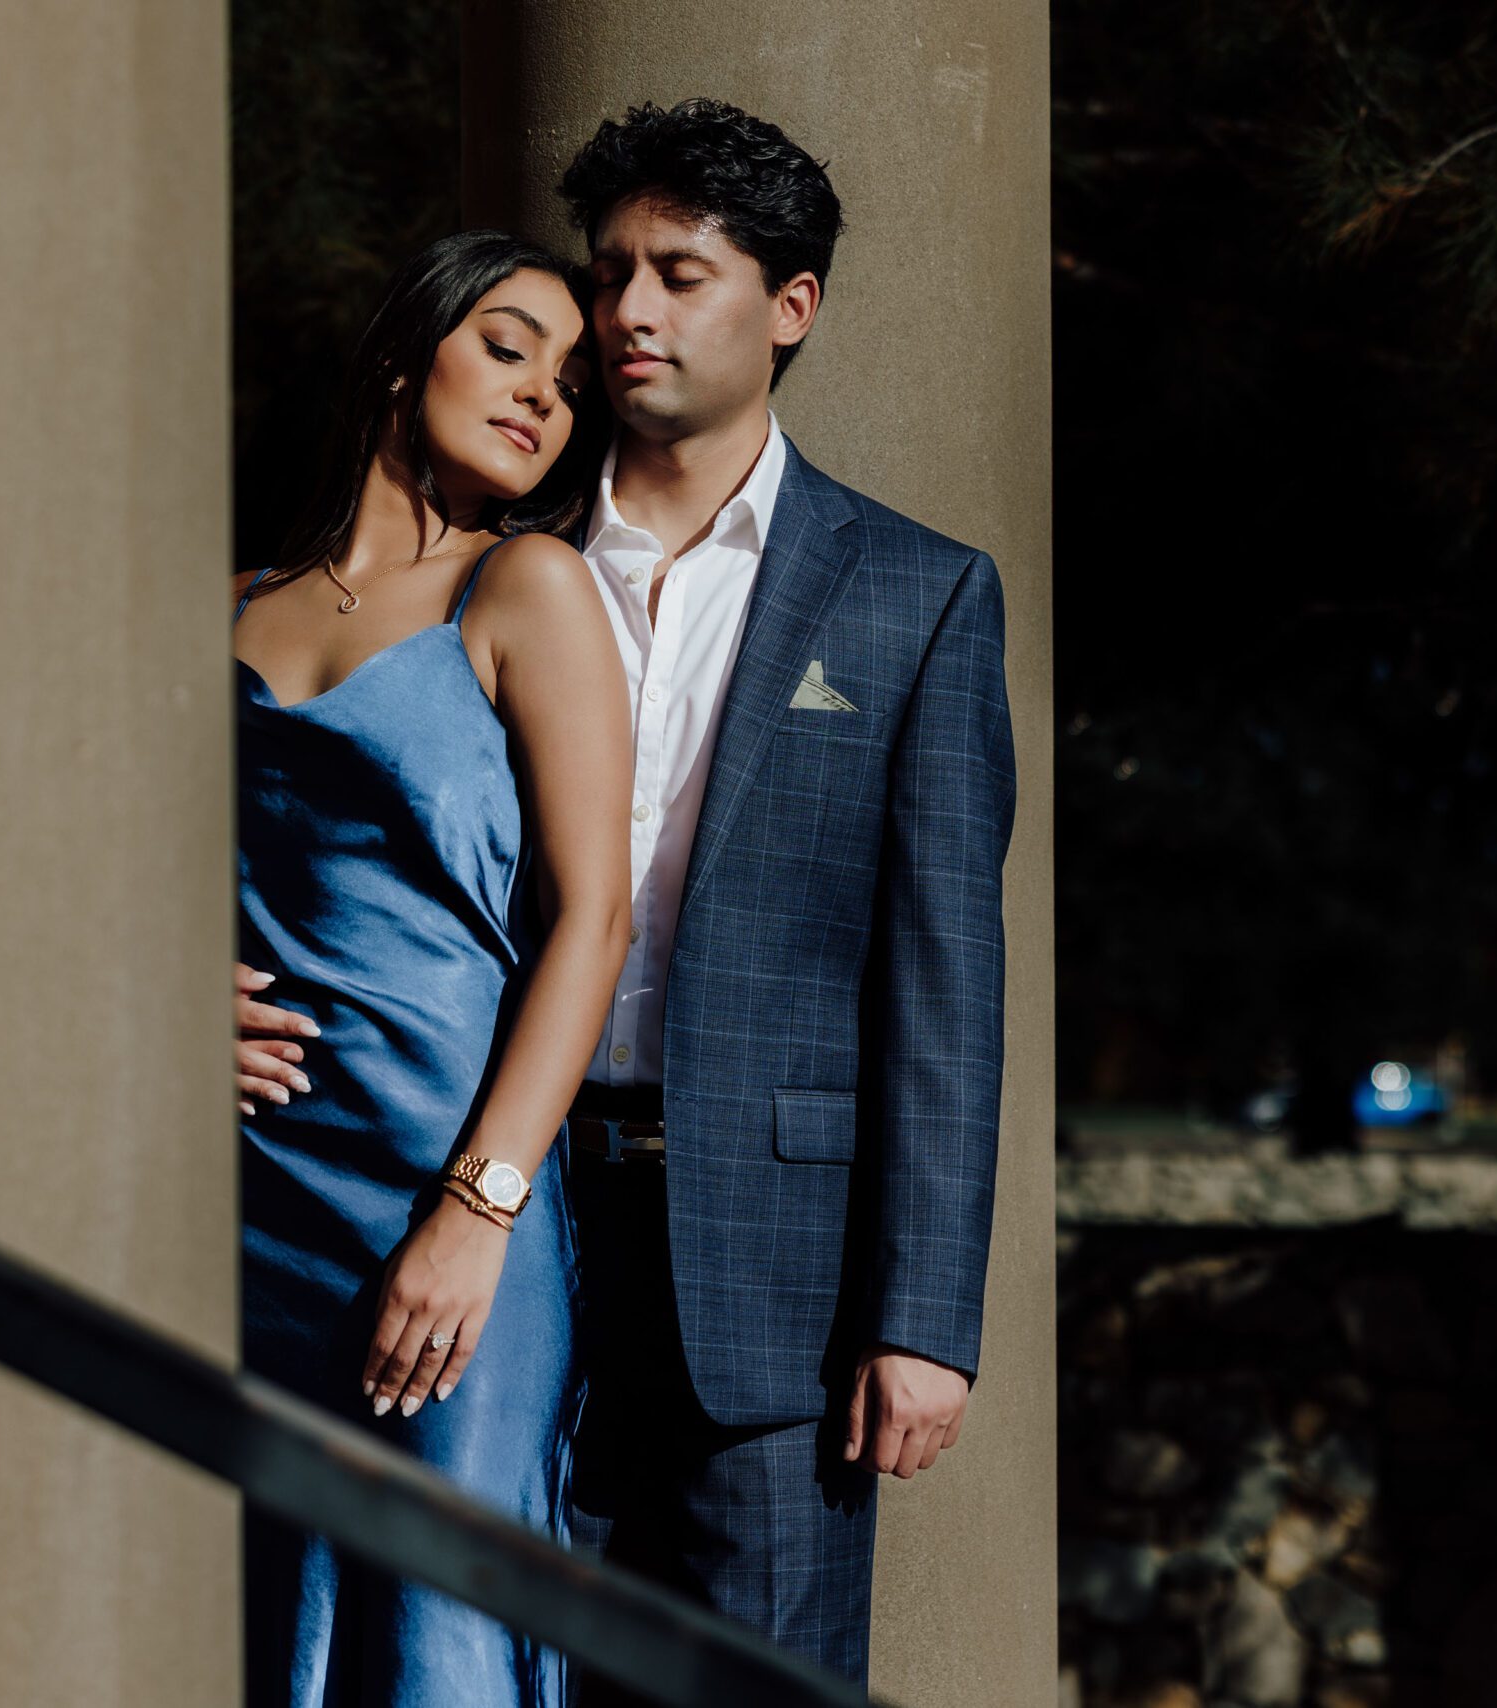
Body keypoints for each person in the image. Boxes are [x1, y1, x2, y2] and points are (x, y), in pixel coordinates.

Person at [551, 99, 1017, 1696]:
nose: (627, 312)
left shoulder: (917, 592)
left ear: (790, 305)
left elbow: (947, 978)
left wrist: (927, 1318)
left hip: (779, 1281)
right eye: (609, 273)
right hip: (514, 1234)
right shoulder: (495, 559)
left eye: (679, 274)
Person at [229, 229, 630, 1708]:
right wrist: (170, 999)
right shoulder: (224, 601)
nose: (547, 396)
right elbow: (102, 866)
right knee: (258, 1602)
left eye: (573, 382)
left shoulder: (526, 586)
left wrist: (479, 1212)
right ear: (408, 355)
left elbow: (594, 923)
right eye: (512, 346)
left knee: (440, 1624)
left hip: (447, 1184)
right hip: (254, 1199)